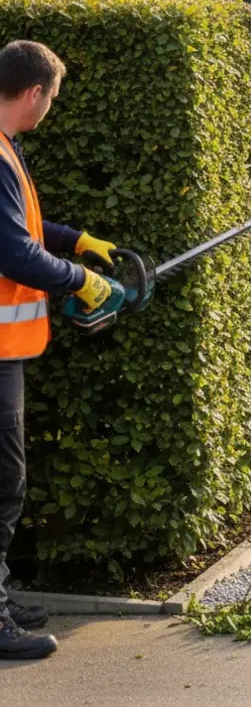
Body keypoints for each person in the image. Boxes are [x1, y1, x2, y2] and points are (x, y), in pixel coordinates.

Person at [0, 40, 115, 660]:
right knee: (4, 482)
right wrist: (82, 280)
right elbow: (13, 253)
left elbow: (22, 229)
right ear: (34, 92)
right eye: (52, 98)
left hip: (4, 349)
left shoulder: (4, 149)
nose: (49, 109)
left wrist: (80, 241)